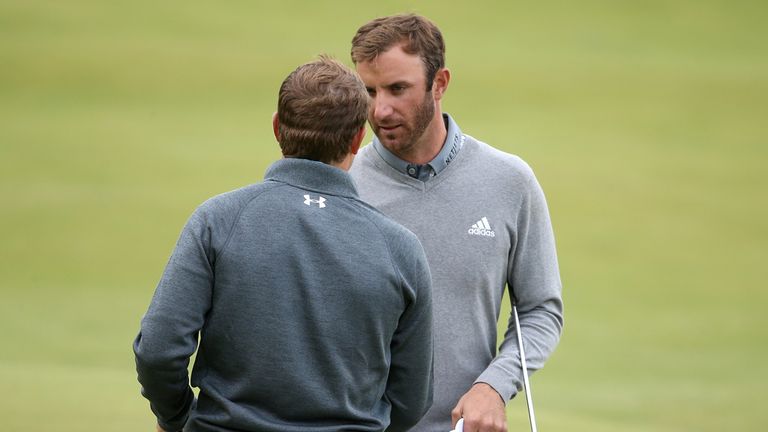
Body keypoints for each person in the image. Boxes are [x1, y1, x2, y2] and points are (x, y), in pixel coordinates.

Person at [133, 56, 434, 432]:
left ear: (277, 128)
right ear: (359, 138)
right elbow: (411, 399)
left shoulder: (218, 220)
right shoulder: (400, 248)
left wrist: (177, 417)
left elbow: (159, 350)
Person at [349, 14, 564, 432]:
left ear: (440, 83)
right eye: (369, 91)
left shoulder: (509, 181)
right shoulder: (344, 184)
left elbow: (541, 309)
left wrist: (495, 386)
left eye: (398, 89)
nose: (380, 109)